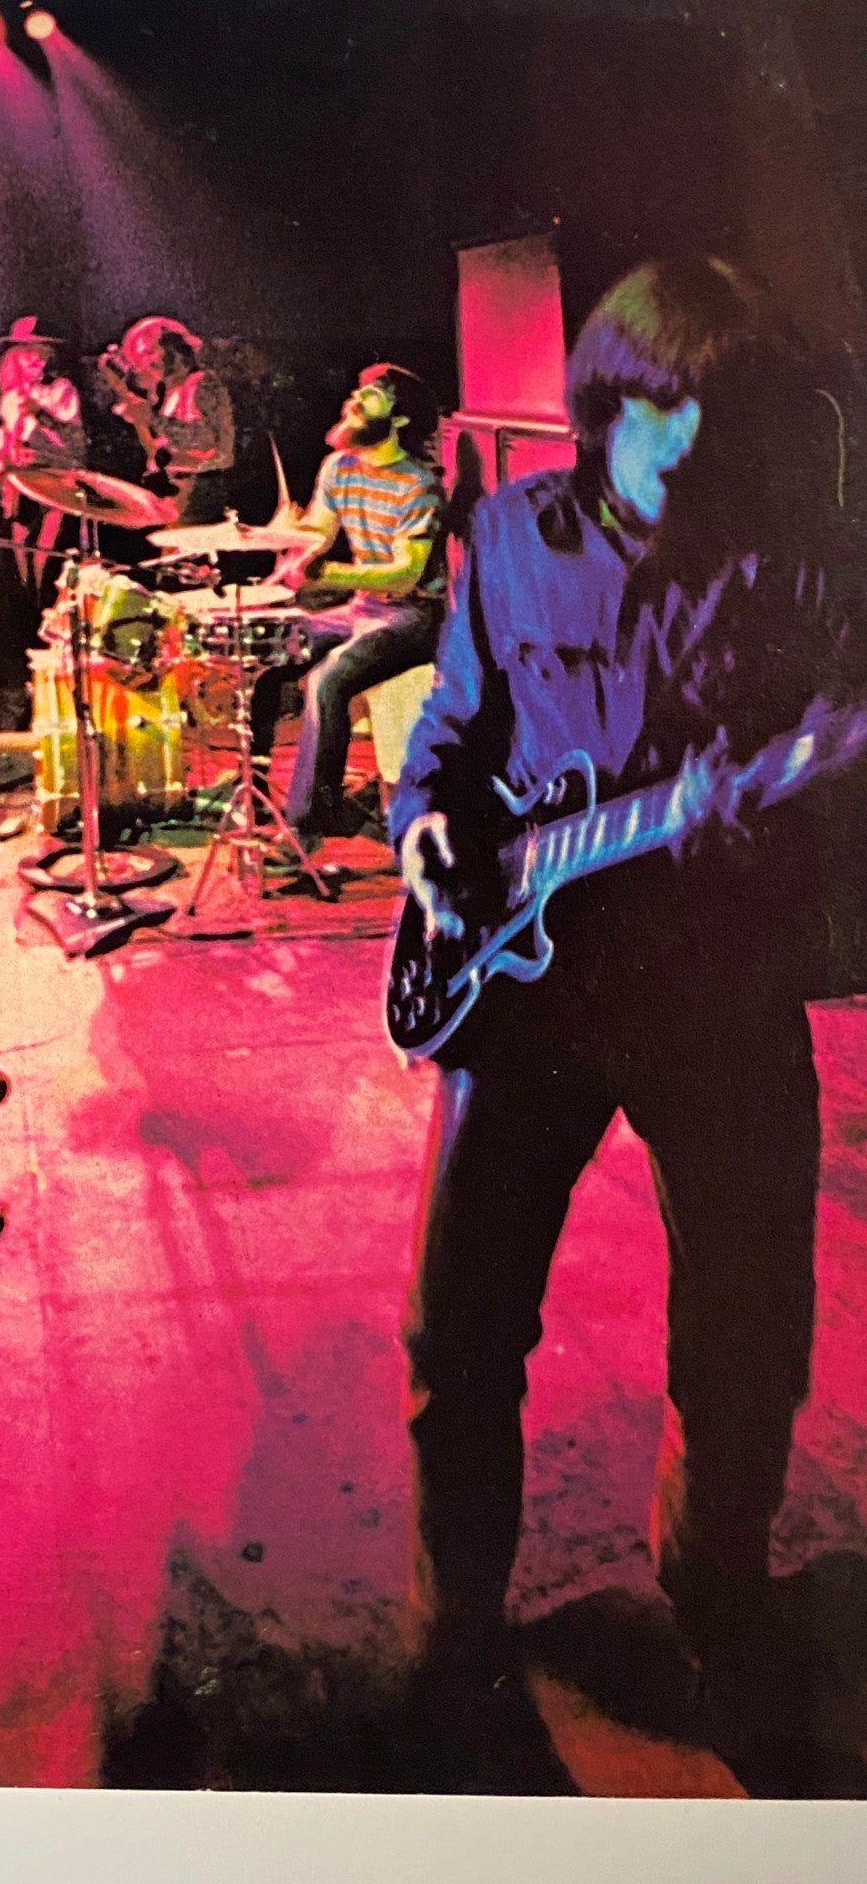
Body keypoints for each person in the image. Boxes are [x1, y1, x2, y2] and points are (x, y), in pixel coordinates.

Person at [389, 258, 860, 1762]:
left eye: (727, 415)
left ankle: (718, 1600)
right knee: (458, 1333)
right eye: (675, 414)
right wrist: (426, 835)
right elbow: (453, 733)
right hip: (524, 989)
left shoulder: (790, 565)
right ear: (606, 407)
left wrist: (767, 825)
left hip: (715, 988)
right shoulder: (510, 540)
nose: (701, 447)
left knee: (746, 1335)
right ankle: (459, 1627)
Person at [250, 364, 444, 842]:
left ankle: (311, 824)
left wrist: (327, 572)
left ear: (398, 419)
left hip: (414, 615)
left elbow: (405, 574)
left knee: (327, 681)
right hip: (362, 608)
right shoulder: (338, 467)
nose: (354, 398)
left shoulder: (419, 485)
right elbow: (317, 533)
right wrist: (288, 540)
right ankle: (253, 798)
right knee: (266, 653)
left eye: (372, 395)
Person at [0, 315, 86, 581]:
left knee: (46, 556)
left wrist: (42, 414)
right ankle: (29, 604)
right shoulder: (10, 399)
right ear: (15, 357)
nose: (39, 362)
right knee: (21, 554)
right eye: (31, 354)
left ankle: (46, 596)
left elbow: (74, 445)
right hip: (19, 482)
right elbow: (2, 434)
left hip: (54, 477)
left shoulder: (60, 391)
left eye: (43, 355)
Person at [101, 314, 236, 521]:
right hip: (178, 495)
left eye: (150, 353)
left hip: (202, 495)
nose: (145, 365)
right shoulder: (170, 392)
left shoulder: (203, 383)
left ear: (174, 350)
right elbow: (159, 452)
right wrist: (132, 406)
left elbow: (215, 447)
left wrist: (150, 417)